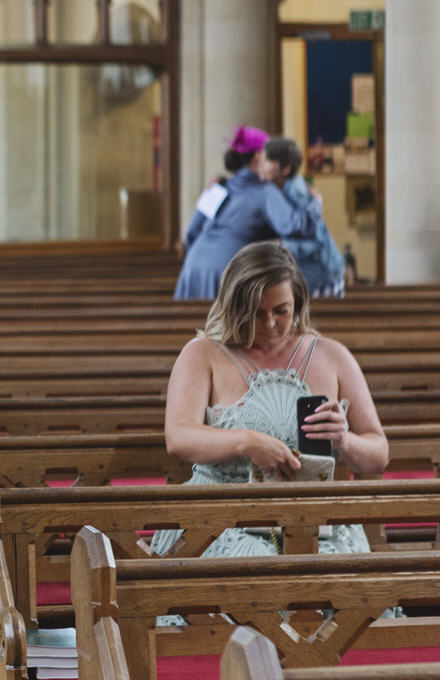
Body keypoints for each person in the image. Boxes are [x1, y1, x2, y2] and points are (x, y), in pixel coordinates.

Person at [155, 241, 388, 559]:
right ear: (235, 307)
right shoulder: (202, 354)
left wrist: (343, 439)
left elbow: (378, 453)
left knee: (337, 576)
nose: (269, 324)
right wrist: (246, 442)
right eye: (256, 313)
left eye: (282, 311)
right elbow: (179, 437)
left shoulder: (333, 356)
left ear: (298, 302)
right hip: (221, 518)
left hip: (314, 518)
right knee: (253, 565)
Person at [174, 126, 323, 300]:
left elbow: (191, 232)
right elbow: (294, 226)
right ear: (258, 156)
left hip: (192, 268)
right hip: (226, 270)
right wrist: (315, 205)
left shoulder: (217, 187)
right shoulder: (265, 192)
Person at [261, 137, 346, 297]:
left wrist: (283, 245)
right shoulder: (283, 187)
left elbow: (317, 242)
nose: (261, 166)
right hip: (316, 272)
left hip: (323, 273)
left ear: (285, 169)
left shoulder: (296, 191)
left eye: (266, 161)